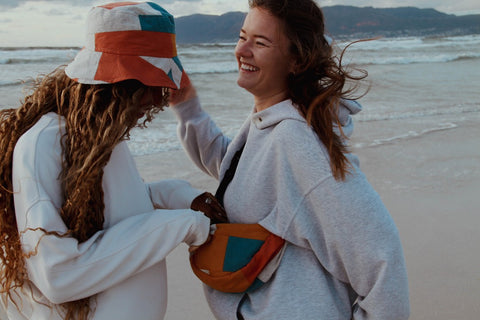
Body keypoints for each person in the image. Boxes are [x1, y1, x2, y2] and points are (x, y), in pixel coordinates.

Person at [169, 0, 410, 319]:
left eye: (260, 42)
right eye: (243, 37)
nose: (243, 50)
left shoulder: (297, 141)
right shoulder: (270, 122)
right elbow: (240, 174)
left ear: (296, 60)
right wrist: (187, 107)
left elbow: (382, 259)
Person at [0, 2, 226, 320]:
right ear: (112, 83)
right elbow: (59, 277)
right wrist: (181, 225)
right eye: (145, 84)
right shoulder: (44, 144)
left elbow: (120, 210)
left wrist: (180, 197)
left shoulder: (101, 137)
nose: (155, 99)